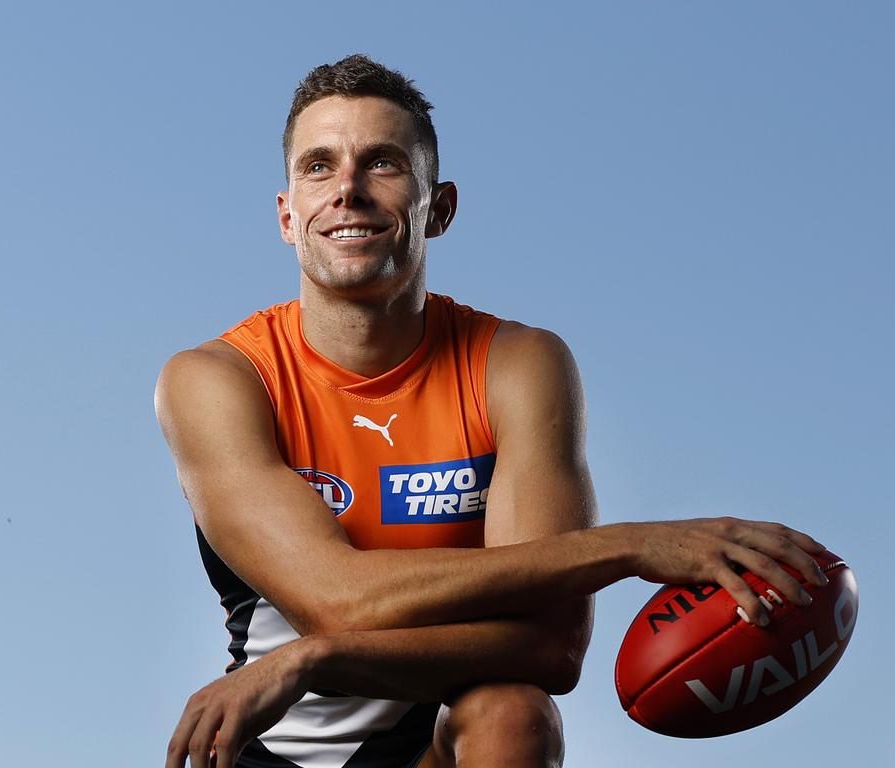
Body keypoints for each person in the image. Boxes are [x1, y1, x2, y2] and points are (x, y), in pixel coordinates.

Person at [155, 54, 830, 768]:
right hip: (264, 741)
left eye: (381, 164)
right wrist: (628, 546)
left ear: (437, 209)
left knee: (514, 710)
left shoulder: (514, 365)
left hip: (431, 740)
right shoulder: (221, 377)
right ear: (289, 215)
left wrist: (312, 660)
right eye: (319, 167)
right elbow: (336, 600)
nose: (346, 190)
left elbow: (552, 650)